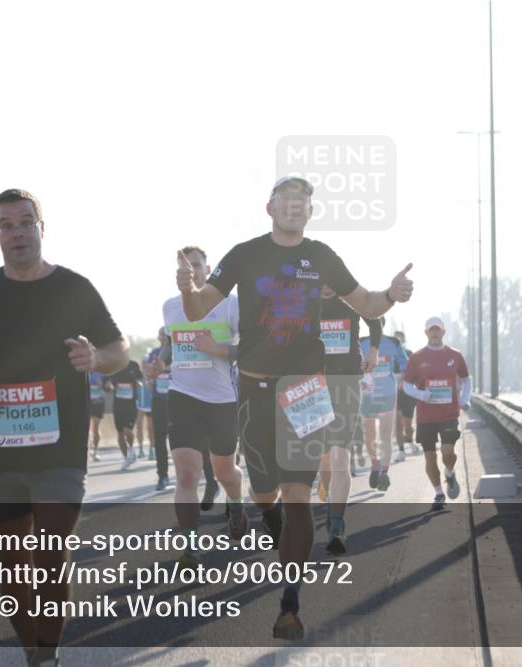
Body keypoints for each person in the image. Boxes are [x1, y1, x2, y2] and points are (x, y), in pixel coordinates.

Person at [176, 175, 414, 639]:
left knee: (299, 494)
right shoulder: (245, 254)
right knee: (265, 493)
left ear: (310, 211)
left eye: (302, 201)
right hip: (255, 389)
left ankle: (290, 601)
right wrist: (187, 288)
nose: (294, 206)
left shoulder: (321, 257)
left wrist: (390, 294)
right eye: (286, 199)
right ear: (269, 208)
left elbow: (365, 302)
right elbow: (198, 308)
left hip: (305, 389)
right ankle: (269, 518)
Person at [0, 188, 128, 667]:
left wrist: (96, 357)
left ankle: (48, 654)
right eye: (7, 225)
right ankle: (33, 653)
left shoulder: (75, 288)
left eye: (26, 222)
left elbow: (119, 348)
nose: (17, 232)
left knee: (49, 554)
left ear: (42, 228)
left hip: (60, 451)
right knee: (13, 572)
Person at [163, 245, 246, 568]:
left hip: (221, 400)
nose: (191, 271)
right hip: (182, 396)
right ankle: (190, 547)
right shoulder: (170, 307)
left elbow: (252, 349)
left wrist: (218, 349)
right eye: (184, 267)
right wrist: (159, 364)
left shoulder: (230, 304)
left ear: (208, 270)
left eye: (196, 265)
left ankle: (236, 503)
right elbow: (174, 346)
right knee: (187, 473)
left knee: (225, 472)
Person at [316, 286, 380, 554]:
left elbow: (375, 320)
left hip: (347, 382)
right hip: (313, 385)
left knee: (340, 458)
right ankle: (327, 491)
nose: (327, 286)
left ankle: (336, 526)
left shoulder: (351, 298)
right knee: (323, 459)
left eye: (332, 280)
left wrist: (373, 351)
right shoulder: (305, 299)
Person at [402, 317, 470, 511]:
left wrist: (465, 399)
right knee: (430, 457)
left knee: (448, 453)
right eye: (431, 330)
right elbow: (406, 385)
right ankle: (439, 493)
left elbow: (466, 379)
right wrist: (421, 394)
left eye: (437, 330)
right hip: (425, 416)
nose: (434, 333)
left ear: (443, 332)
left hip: (449, 414)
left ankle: (449, 472)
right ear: (426, 333)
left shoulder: (455, 355)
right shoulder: (417, 357)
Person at [358, 322, 408, 492]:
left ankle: (383, 472)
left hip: (386, 394)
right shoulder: (360, 342)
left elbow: (405, 364)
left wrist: (401, 381)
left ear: (382, 324)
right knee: (371, 434)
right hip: (369, 394)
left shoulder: (394, 342)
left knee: (384, 435)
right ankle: (376, 465)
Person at [105, 358, 143, 470]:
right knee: (120, 434)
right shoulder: (113, 365)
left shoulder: (133, 365)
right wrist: (108, 385)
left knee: (127, 430)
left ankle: (131, 449)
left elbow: (140, 380)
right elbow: (107, 383)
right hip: (118, 405)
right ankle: (126, 458)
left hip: (130, 405)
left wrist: (138, 384)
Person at [147, 330, 172, 491]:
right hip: (159, 401)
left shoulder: (177, 352)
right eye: (161, 334)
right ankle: (162, 475)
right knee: (159, 439)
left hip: (176, 401)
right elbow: (149, 375)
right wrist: (149, 381)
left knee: (179, 439)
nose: (163, 337)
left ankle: (187, 473)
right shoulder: (154, 353)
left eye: (165, 335)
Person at [393, 331, 417, 460]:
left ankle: (410, 441)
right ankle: (401, 451)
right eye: (395, 338)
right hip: (394, 393)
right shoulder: (388, 354)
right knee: (398, 423)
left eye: (400, 339)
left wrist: (404, 380)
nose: (398, 340)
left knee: (408, 423)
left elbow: (415, 373)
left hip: (407, 393)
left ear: (404, 340)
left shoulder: (409, 354)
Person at [136, 358, 154, 457]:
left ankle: (152, 449)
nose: (144, 365)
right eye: (143, 363)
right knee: (139, 427)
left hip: (150, 405)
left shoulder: (152, 375)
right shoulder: (138, 375)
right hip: (139, 405)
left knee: (150, 429)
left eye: (146, 363)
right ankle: (140, 450)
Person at [88, 371, 106, 461]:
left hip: (98, 403)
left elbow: (107, 388)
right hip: (86, 403)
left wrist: (102, 385)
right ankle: (87, 450)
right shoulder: (83, 373)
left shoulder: (100, 373)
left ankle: (94, 451)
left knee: (95, 428)